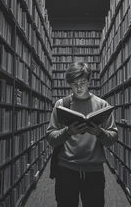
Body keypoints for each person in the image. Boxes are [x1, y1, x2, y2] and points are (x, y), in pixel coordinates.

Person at [46, 62, 118, 207]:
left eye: (82, 82)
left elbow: (112, 139)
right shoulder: (61, 105)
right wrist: (68, 132)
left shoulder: (102, 105)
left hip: (94, 172)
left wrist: (99, 132)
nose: (78, 87)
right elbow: (51, 138)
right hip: (66, 170)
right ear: (69, 84)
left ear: (89, 81)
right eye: (74, 83)